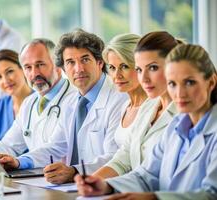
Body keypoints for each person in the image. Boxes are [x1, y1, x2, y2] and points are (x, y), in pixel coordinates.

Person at [75, 44, 217, 200]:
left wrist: (154, 198)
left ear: (211, 82)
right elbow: (146, 175)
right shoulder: (176, 127)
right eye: (172, 84)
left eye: (189, 82)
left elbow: (211, 194)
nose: (179, 93)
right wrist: (107, 186)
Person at [0, 29, 128, 184]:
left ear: (100, 63)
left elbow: (115, 157)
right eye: (70, 62)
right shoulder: (73, 101)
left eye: (85, 59)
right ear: (63, 68)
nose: (78, 69)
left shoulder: (118, 98)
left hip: (106, 187)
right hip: (76, 187)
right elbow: (56, 146)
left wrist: (74, 172)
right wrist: (20, 162)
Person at [91, 31, 179, 179]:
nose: (144, 78)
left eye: (152, 68)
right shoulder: (148, 107)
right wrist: (92, 181)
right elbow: (124, 157)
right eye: (139, 69)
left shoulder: (185, 114)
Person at [0, 38, 76, 157]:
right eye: (28, 67)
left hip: (66, 174)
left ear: (58, 65)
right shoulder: (29, 103)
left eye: (40, 64)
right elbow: (8, 145)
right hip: (36, 174)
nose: (34, 73)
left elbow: (56, 150)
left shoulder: (74, 98)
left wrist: (19, 162)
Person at [101, 33, 147, 150]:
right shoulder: (125, 106)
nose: (117, 75)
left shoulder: (154, 108)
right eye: (112, 68)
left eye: (124, 66)